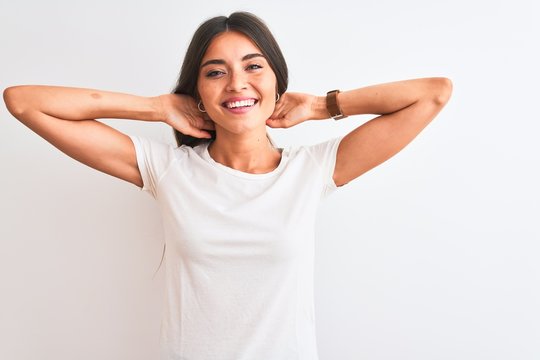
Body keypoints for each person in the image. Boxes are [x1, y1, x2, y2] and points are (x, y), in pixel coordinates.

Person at [3, 11, 452, 360]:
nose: (237, 83)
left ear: (278, 81)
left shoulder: (312, 169)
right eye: (215, 72)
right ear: (197, 92)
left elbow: (433, 92)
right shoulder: (168, 170)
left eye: (254, 67)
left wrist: (321, 104)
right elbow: (24, 103)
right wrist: (155, 108)